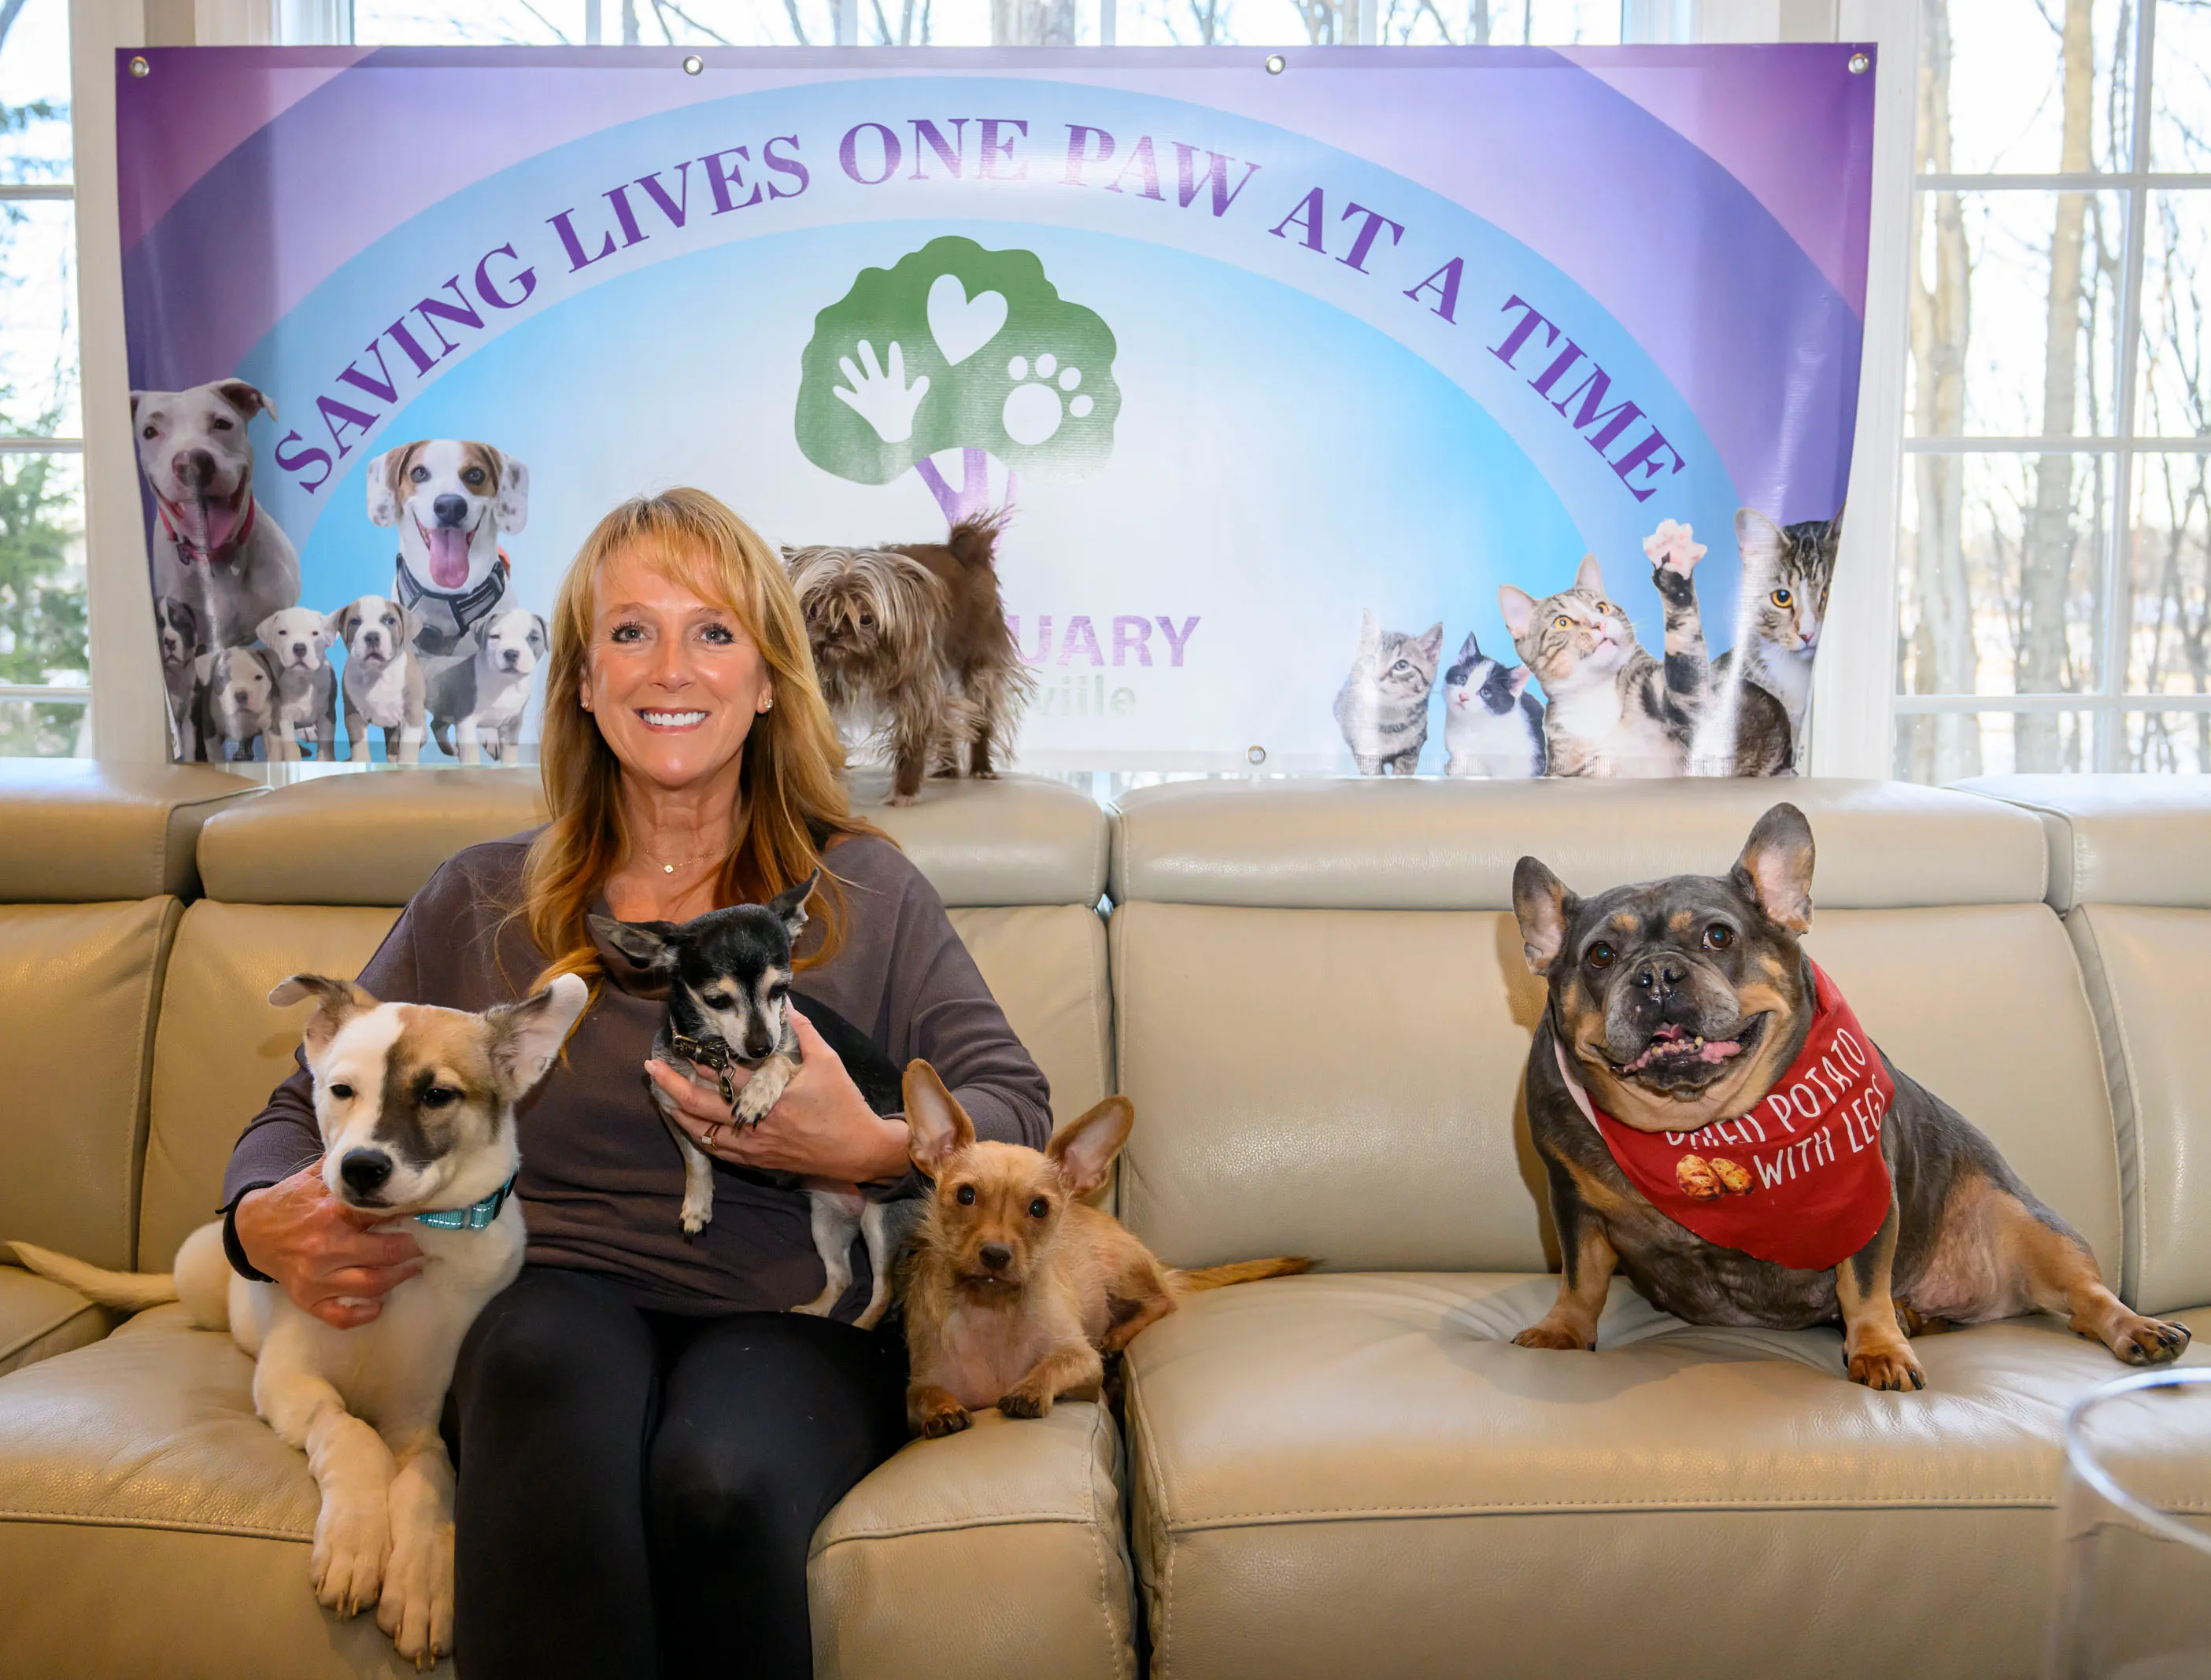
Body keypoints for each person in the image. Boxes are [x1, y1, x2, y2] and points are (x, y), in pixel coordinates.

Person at [219, 487, 1051, 1678]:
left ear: (768, 681)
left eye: (713, 632)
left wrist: (868, 1148)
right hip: (551, 1294)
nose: (671, 667)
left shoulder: (863, 892)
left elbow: (1013, 1099)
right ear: (580, 681)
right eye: (630, 632)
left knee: (721, 1483)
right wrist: (257, 1225)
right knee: (541, 1388)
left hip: (793, 1314)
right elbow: (290, 1113)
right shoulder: (481, 895)